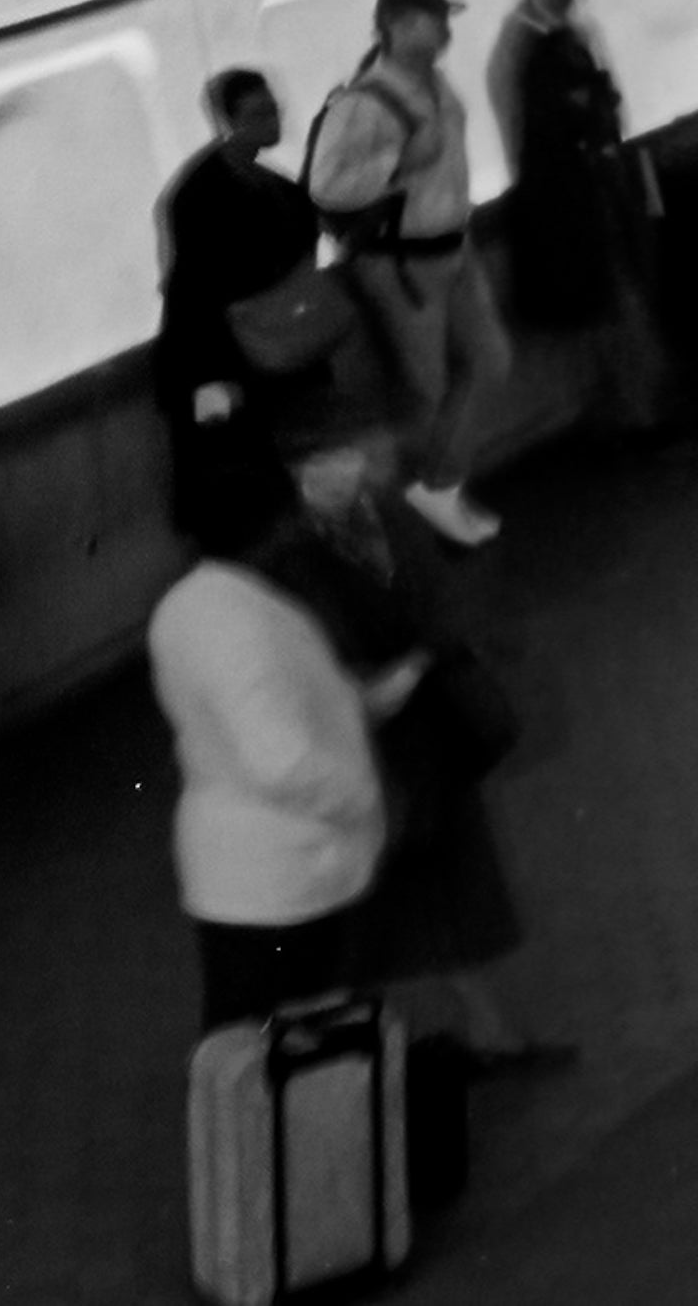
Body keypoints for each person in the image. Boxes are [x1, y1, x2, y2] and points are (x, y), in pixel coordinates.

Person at [274, 429, 552, 1070]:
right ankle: (356, 1045)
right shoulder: (297, 555)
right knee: (390, 899)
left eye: (336, 455)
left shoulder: (390, 518)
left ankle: (473, 1032)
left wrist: (422, 655)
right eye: (313, 462)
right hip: (377, 746)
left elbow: (443, 599)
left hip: (424, 737)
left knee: (422, 894)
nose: (331, 474)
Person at [152, 431, 391, 1031]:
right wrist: (361, 800)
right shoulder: (238, 622)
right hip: (284, 880)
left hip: (244, 881)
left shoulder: (188, 607)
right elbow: (280, 760)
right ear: (270, 525)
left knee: (256, 1055)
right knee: (296, 1059)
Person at [299, 0, 503, 550]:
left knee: (489, 361)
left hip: (452, 248)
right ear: (400, 24)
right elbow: (327, 185)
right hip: (403, 266)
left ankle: (439, 488)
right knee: (426, 389)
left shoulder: (434, 83)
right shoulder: (364, 102)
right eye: (437, 20)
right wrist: (395, 164)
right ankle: (423, 510)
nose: (447, 32)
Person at [155, 71, 335, 555]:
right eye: (257, 113)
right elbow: (202, 291)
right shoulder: (201, 197)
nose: (273, 120)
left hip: (271, 350)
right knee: (250, 486)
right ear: (226, 121)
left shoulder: (265, 182)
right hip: (229, 362)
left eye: (273, 108)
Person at [486, 0, 654, 437]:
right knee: (608, 297)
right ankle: (632, 406)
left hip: (568, 190)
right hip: (566, 194)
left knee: (598, 301)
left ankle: (617, 405)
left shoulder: (547, 37)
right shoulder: (532, 47)